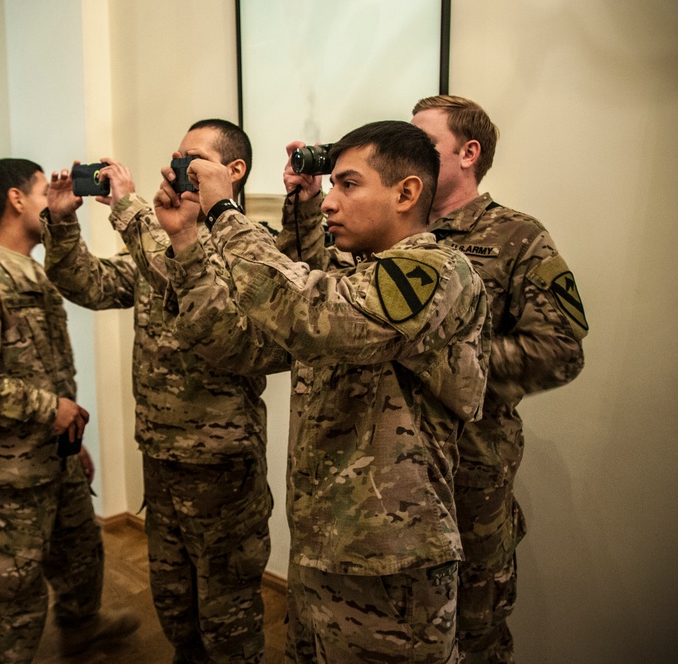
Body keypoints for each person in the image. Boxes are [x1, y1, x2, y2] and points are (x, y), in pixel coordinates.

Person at [157, 120, 490, 663]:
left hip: (392, 568)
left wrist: (223, 214)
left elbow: (316, 316)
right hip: (321, 552)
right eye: (330, 185)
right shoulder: (353, 276)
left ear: (406, 192)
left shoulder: (437, 269)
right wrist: (188, 241)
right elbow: (237, 347)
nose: (330, 203)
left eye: (348, 185)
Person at [42, 119, 274, 663]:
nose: (174, 167)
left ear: (232, 171)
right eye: (175, 155)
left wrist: (130, 210)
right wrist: (60, 225)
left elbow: (194, 288)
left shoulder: (251, 244)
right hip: (163, 456)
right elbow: (91, 284)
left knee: (228, 619)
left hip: (221, 465)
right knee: (174, 606)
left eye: (191, 157)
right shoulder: (163, 240)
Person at [0, 158, 139, 663]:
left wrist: (71, 443)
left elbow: (43, 371)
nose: (56, 201)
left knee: (81, 558)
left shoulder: (35, 275)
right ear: (16, 200)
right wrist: (48, 411)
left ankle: (82, 631)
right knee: (12, 597)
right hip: (7, 476)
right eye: (46, 192)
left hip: (54, 461)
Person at [411, 95, 587, 663]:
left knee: (475, 629)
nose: (408, 156)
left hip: (472, 475)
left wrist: (448, 358)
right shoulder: (397, 231)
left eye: (425, 145)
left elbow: (560, 350)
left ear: (469, 153)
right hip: (397, 480)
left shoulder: (517, 236)